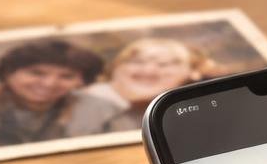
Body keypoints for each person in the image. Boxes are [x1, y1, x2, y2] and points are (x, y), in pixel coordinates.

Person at [0, 39, 114, 150]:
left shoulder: (91, 111)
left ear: (82, 82)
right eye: (36, 73)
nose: (49, 84)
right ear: (9, 73)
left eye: (67, 76)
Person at [77, 37, 215, 132]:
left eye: (164, 64)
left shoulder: (191, 114)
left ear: (194, 73)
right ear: (114, 68)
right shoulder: (83, 103)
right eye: (137, 62)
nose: (148, 71)